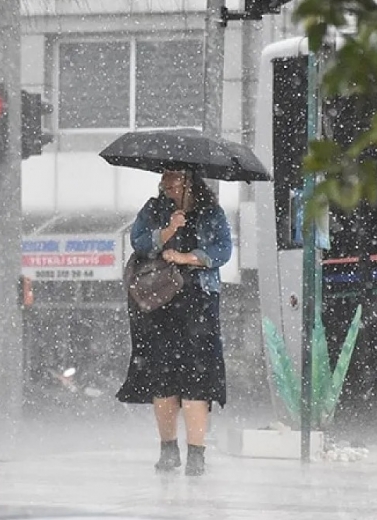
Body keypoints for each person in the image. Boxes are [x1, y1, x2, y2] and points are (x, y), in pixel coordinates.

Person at [116, 168, 232, 476]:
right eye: (165, 177)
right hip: (159, 303)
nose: (167, 182)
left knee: (198, 379)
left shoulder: (211, 212)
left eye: (175, 177)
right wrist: (168, 230)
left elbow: (223, 250)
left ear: (189, 180)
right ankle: (168, 450)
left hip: (200, 302)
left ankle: (197, 454)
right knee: (162, 377)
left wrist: (188, 257)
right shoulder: (154, 209)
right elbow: (139, 242)